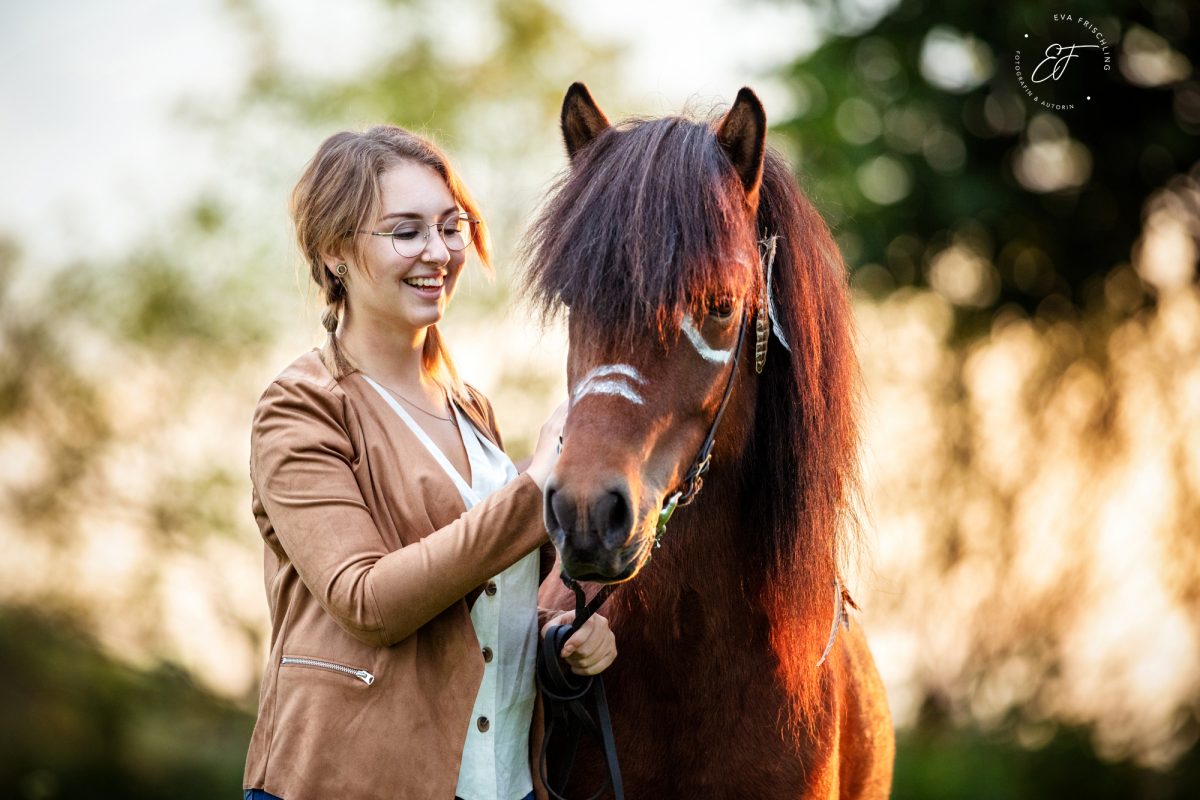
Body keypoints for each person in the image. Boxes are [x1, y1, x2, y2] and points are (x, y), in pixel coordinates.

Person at [243, 125, 616, 800]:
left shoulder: (470, 409)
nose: (440, 252)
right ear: (334, 253)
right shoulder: (301, 406)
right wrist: (536, 485)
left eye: (452, 226)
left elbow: (481, 608)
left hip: (504, 786)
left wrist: (557, 638)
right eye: (406, 231)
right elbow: (368, 601)